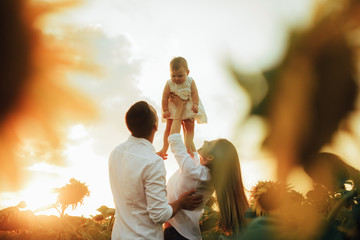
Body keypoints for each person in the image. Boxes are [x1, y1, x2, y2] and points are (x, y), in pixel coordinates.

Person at [108, 101, 203, 240]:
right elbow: (159, 215)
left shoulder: (115, 152)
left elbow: (131, 177)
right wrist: (180, 202)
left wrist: (150, 159)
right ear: (155, 126)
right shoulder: (152, 162)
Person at [163, 94, 249, 239]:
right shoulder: (202, 172)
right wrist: (187, 121)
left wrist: (178, 111)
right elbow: (190, 148)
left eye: (209, 143)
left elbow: (174, 141)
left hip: (177, 235)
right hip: (183, 235)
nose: (205, 141)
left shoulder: (195, 172)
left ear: (210, 158)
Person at [157, 57, 207, 159]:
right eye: (173, 75)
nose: (176, 78)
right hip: (173, 108)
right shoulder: (169, 83)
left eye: (180, 75)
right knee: (169, 128)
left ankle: (188, 146)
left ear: (187, 72)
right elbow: (164, 97)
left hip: (188, 106)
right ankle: (164, 149)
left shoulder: (190, 81)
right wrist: (165, 110)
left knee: (189, 127)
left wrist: (195, 105)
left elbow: (195, 94)